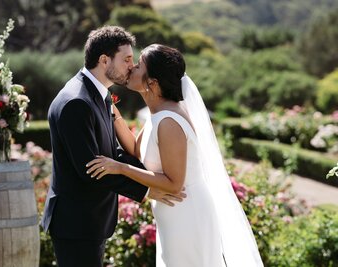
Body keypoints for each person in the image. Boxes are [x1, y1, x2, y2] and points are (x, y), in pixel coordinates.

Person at [87, 44, 264, 266]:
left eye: (139, 64)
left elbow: (173, 184)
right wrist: (112, 112)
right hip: (174, 215)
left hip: (187, 214)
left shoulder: (169, 121)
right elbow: (135, 150)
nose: (131, 67)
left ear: (152, 82)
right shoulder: (158, 114)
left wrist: (120, 168)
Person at [41, 28, 184, 267]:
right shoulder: (77, 102)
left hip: (90, 221)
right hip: (76, 223)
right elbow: (91, 170)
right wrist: (146, 191)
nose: (131, 66)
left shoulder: (99, 94)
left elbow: (111, 153)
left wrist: (149, 178)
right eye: (126, 59)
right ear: (104, 60)